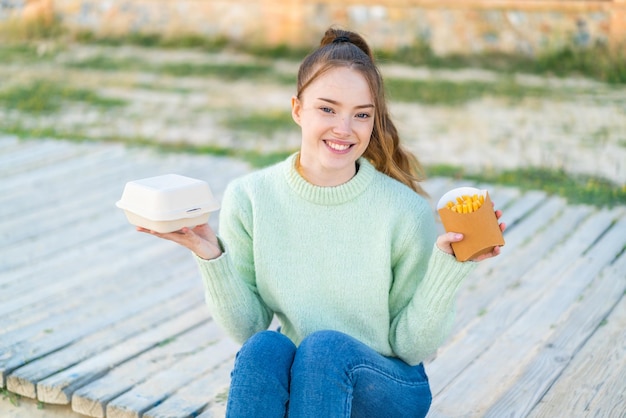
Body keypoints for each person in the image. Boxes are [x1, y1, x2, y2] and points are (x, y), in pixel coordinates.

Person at [138, 27, 505, 418]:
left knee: (324, 349)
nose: (344, 129)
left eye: (361, 115)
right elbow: (249, 328)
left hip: (387, 386)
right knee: (265, 347)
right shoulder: (250, 197)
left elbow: (410, 346)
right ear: (297, 109)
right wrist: (211, 256)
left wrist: (452, 266)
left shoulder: (404, 210)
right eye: (327, 109)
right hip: (308, 385)